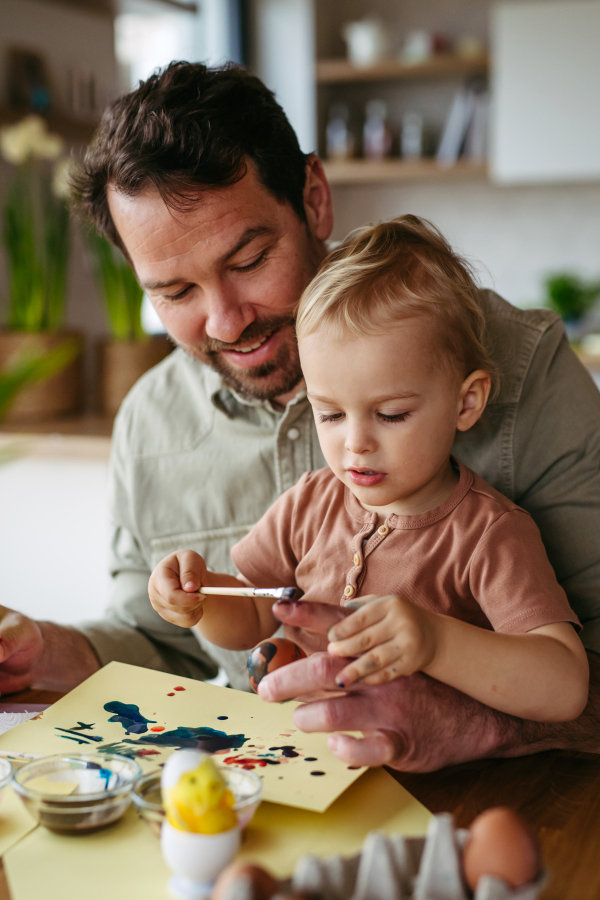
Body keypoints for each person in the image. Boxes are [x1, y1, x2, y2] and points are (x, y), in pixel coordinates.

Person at [1, 62, 600, 771]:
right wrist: (49, 649)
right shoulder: (150, 422)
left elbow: (572, 668)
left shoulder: (521, 369)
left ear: (315, 199)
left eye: (250, 259)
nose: (226, 321)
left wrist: (463, 717)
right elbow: (164, 646)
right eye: (175, 291)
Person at [148, 216, 588, 724]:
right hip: (301, 763)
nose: (355, 443)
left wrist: (436, 641)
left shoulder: (490, 535)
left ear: (466, 403)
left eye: (391, 414)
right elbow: (250, 618)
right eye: (329, 414)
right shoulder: (309, 503)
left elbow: (564, 686)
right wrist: (199, 597)